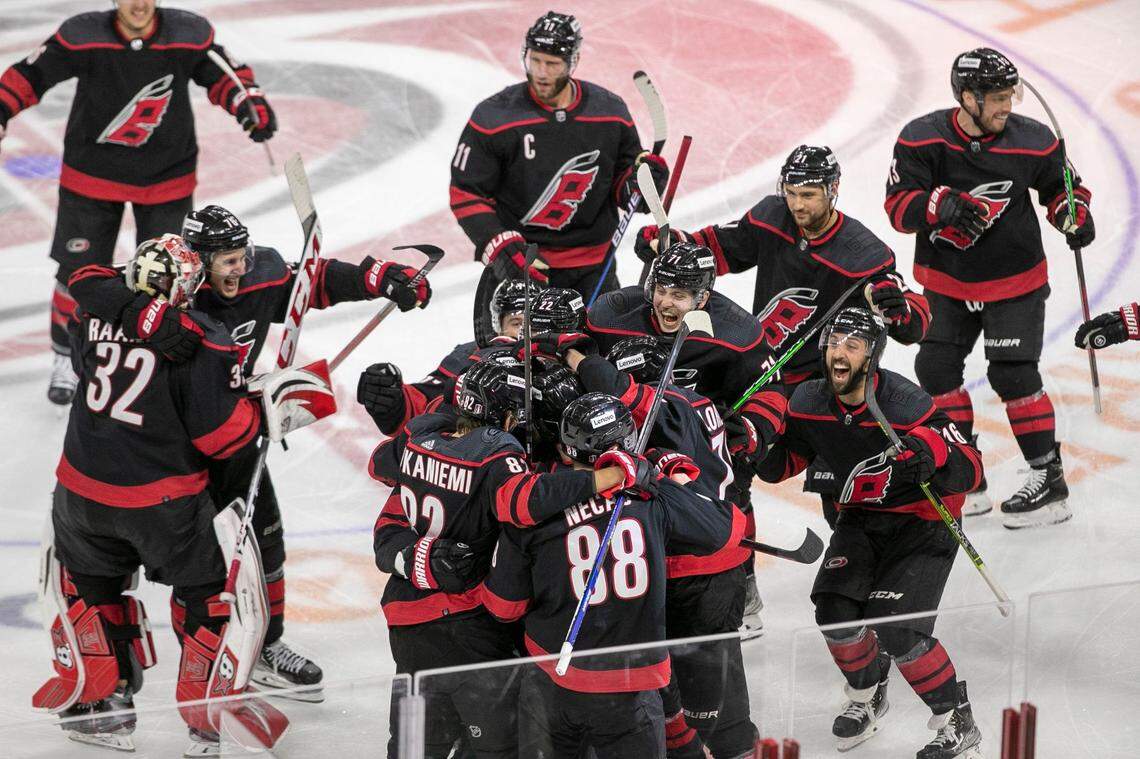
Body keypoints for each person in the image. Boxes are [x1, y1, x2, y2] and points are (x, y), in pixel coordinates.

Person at [66, 204, 431, 699]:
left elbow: (313, 282)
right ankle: (199, 668)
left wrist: (379, 277)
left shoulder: (255, 275)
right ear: (195, 262)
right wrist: (139, 312)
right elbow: (86, 279)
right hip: (178, 454)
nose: (241, 268)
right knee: (198, 573)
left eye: (243, 257)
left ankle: (262, 649)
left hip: (231, 436)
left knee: (266, 543)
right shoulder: (161, 285)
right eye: (228, 261)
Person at [35, 234, 329, 754]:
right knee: (210, 598)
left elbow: (88, 308)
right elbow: (222, 439)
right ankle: (202, 724)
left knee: (96, 589)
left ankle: (106, 712)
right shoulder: (201, 338)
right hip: (163, 505)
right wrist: (266, 403)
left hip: (80, 494)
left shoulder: (91, 316)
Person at [0, 0, 277, 405]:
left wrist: (249, 106)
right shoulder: (83, 34)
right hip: (91, 178)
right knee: (76, 272)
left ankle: (161, 355)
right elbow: (31, 73)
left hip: (166, 178)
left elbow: (228, 76)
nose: (139, 4)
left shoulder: (186, 34)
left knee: (177, 277)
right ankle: (65, 354)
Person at [369, 361, 651, 757]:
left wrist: (420, 561)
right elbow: (523, 502)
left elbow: (385, 510)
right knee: (497, 749)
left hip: (408, 623)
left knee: (412, 748)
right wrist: (603, 478)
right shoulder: (495, 452)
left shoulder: (419, 439)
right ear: (505, 416)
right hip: (469, 626)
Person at [754, 308, 985, 758]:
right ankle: (867, 690)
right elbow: (784, 463)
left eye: (852, 346)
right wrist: (753, 446)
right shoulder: (807, 400)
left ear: (872, 355)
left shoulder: (905, 404)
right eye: (833, 343)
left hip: (924, 523)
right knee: (835, 613)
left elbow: (971, 468)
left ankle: (958, 721)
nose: (838, 353)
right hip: (860, 517)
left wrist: (931, 455)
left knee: (897, 629)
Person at [884, 47, 1095, 527]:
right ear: (967, 97)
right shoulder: (920, 139)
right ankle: (966, 475)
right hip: (947, 282)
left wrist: (1073, 215)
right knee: (935, 368)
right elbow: (898, 208)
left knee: (1014, 376)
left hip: (1014, 281)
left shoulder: (1033, 141)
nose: (1006, 107)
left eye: (1009, 96)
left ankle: (1048, 480)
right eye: (997, 98)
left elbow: (1064, 187)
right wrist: (937, 205)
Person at [482, 392, 736, 758]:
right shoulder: (652, 498)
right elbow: (723, 532)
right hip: (631, 686)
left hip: (553, 681)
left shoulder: (534, 512)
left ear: (565, 450)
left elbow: (503, 606)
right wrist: (666, 471)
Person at [548, 336, 757, 757]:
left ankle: (722, 745)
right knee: (708, 673)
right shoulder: (692, 405)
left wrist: (571, 353)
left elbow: (613, 385)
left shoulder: (666, 406)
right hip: (716, 556)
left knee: (700, 693)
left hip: (696, 560)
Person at [450, 10, 668, 346]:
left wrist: (642, 183)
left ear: (573, 61)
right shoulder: (494, 117)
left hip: (593, 269)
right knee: (505, 376)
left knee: (597, 367)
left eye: (552, 64)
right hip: (523, 268)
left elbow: (627, 187)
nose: (540, 73)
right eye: (534, 60)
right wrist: (501, 247)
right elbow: (466, 193)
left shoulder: (609, 113)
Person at [586, 240, 771, 633]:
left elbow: (771, 392)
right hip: (628, 437)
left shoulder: (737, 331)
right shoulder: (611, 314)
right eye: (661, 290)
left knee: (726, 503)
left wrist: (752, 429)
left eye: (680, 295)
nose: (666, 304)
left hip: (703, 443)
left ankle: (742, 584)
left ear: (703, 297)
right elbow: (583, 361)